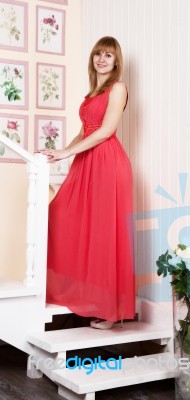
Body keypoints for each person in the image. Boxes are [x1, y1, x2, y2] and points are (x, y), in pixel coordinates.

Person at [40, 36, 135, 330]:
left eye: (108, 55)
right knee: (62, 215)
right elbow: (85, 131)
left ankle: (110, 310)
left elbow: (106, 131)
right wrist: (61, 153)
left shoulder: (117, 88)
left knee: (104, 233)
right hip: (87, 160)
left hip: (107, 162)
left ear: (116, 61)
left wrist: (69, 152)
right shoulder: (94, 92)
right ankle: (79, 294)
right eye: (97, 54)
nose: (102, 60)